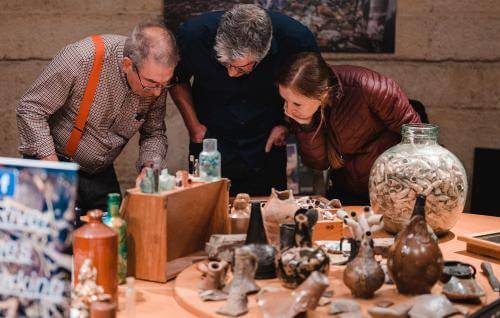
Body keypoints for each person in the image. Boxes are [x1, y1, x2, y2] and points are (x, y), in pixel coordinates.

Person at [16, 22, 179, 212]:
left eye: (164, 84)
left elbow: (154, 132)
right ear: (128, 64)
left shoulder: (155, 83)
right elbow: (31, 109)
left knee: (115, 234)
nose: (158, 93)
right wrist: (54, 170)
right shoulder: (81, 59)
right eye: (151, 83)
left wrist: (149, 167)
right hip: (55, 162)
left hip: (100, 173)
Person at [169, 4, 318, 196]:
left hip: (267, 140)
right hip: (211, 139)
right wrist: (194, 126)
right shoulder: (193, 35)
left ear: (263, 53)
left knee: (265, 212)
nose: (231, 74)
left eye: (241, 68)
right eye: (224, 63)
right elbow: (177, 79)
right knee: (204, 210)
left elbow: (312, 92)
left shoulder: (296, 40)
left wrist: (288, 124)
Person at [278, 52, 421, 204]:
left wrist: (406, 183)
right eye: (285, 100)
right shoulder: (304, 110)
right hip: (346, 187)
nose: (288, 109)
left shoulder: (369, 87)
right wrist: (307, 125)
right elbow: (319, 163)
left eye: (296, 104)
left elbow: (418, 136)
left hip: (391, 186)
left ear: (323, 93)